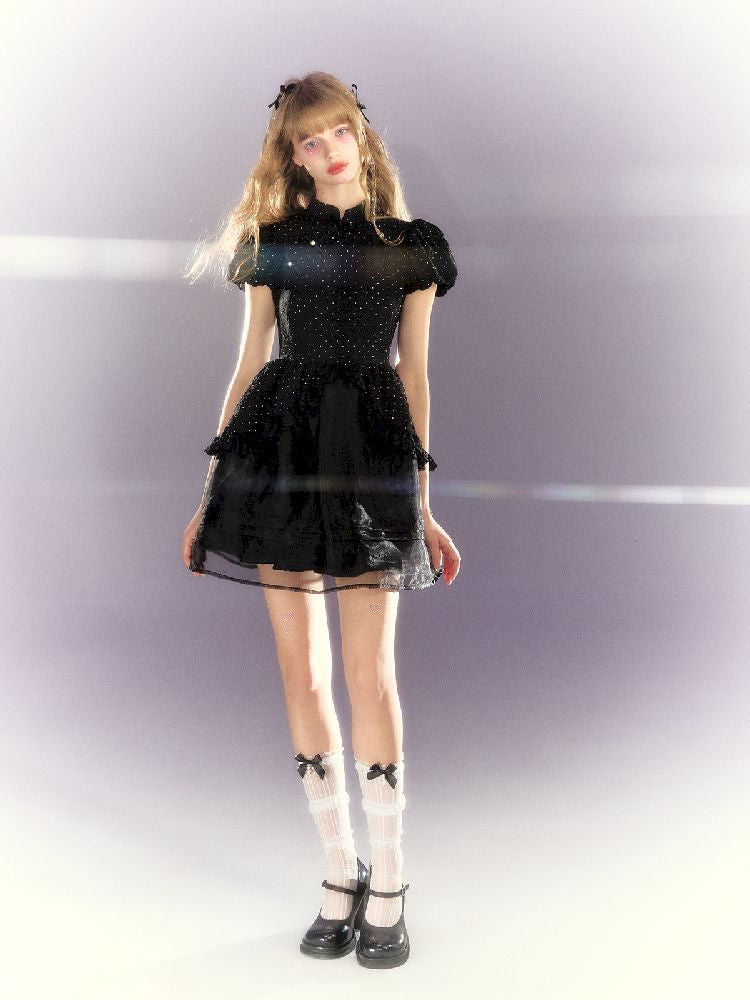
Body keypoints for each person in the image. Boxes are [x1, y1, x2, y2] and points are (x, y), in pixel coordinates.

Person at [181, 72, 461, 968]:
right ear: (293, 156)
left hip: (371, 460)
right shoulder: (274, 245)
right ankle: (341, 873)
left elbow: (414, 376)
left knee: (369, 676)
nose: (329, 148)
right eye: (310, 139)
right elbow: (247, 366)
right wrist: (210, 492)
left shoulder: (412, 248)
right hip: (278, 458)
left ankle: (391, 882)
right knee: (301, 676)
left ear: (361, 135)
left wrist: (423, 504)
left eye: (339, 130)